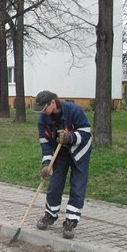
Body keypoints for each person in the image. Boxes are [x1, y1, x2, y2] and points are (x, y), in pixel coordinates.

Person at [33, 90, 92, 239]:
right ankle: (50, 215)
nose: (43, 112)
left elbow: (86, 133)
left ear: (53, 102)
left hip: (79, 153)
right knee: (54, 185)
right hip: (60, 153)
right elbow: (45, 144)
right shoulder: (43, 120)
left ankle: (71, 222)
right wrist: (46, 164)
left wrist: (70, 137)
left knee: (77, 187)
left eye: (44, 108)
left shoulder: (74, 110)